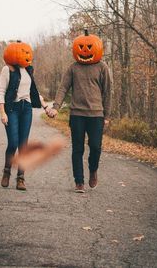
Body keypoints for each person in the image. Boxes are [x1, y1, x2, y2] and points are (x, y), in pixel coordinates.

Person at [47, 29, 111, 193]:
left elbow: (108, 92)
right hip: (77, 115)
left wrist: (107, 116)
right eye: (81, 47)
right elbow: (63, 88)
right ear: (76, 49)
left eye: (89, 47)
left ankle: (93, 170)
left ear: (97, 48)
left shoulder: (102, 67)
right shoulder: (73, 68)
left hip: (96, 115)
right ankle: (79, 182)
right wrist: (56, 107)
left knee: (95, 147)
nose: (85, 51)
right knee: (77, 148)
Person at [0, 41, 50, 190]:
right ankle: (7, 171)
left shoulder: (28, 70)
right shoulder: (7, 69)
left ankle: (21, 178)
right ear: (14, 54)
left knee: (23, 145)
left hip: (26, 108)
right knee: (13, 143)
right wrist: (2, 112)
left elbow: (34, 92)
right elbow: (0, 91)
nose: (27, 56)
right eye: (23, 53)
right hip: (11, 108)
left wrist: (45, 106)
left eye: (28, 53)